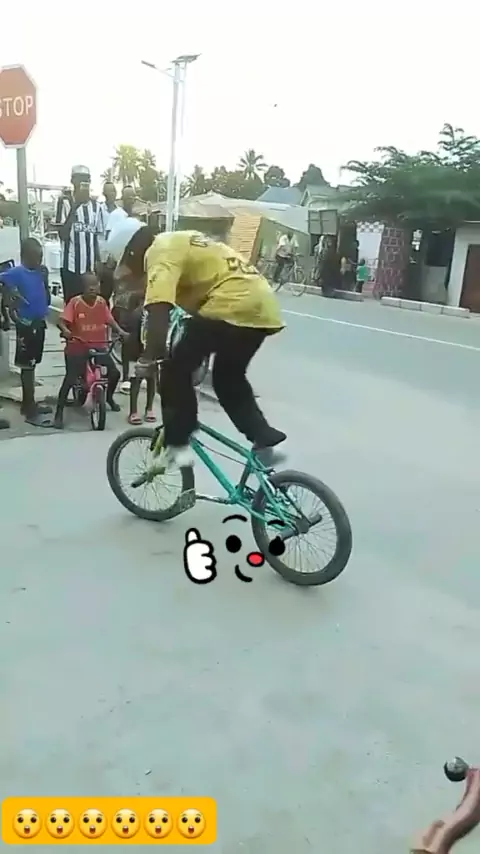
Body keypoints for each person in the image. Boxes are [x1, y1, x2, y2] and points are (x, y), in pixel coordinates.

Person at [107, 220, 286, 469]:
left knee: (173, 370)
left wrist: (149, 358)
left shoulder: (158, 251)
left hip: (230, 304)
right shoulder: (183, 240)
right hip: (263, 306)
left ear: (133, 252)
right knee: (228, 378)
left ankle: (178, 444)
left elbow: (159, 309)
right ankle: (264, 439)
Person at [53, 272, 126, 429]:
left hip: (99, 345)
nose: (92, 288)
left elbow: (110, 320)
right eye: (88, 285)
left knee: (114, 374)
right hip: (77, 347)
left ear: (99, 286)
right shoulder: (75, 303)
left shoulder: (101, 302)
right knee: (70, 379)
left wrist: (121, 332)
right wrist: (66, 330)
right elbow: (61, 321)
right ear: (82, 288)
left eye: (95, 285)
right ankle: (59, 414)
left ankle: (108, 398)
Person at [0, 238, 52, 425]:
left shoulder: (40, 273)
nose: (39, 261)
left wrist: (45, 279)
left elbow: (46, 297)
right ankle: (29, 408)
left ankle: (28, 403)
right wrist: (10, 296)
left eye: (41, 257)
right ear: (24, 256)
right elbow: (2, 279)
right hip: (26, 325)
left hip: (39, 323)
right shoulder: (17, 272)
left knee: (33, 364)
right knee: (27, 367)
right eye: (35, 257)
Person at [54, 165, 105, 304]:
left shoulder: (96, 206)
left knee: (89, 308)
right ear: (73, 181)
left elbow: (97, 237)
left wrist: (99, 262)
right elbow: (63, 235)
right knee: (72, 307)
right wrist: (75, 206)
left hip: (90, 271)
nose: (84, 182)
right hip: (70, 268)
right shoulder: (64, 202)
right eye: (80, 179)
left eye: (87, 179)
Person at [123, 294, 156, 425]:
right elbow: (132, 336)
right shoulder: (136, 314)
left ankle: (149, 408)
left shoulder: (156, 315)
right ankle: (133, 412)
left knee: (151, 380)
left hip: (152, 352)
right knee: (136, 381)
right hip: (136, 352)